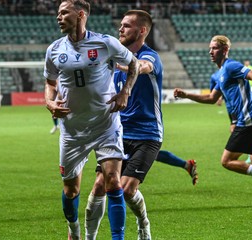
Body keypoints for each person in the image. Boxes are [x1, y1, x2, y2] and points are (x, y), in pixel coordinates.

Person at [43, 1, 139, 239]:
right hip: (72, 131)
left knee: (113, 183)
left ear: (81, 14)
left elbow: (133, 64)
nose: (59, 17)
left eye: (64, 12)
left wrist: (125, 90)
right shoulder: (54, 50)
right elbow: (50, 83)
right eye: (58, 13)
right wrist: (49, 102)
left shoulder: (105, 42)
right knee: (71, 190)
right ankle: (74, 230)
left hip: (105, 124)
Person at [85, 10, 163, 240]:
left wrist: (117, 65)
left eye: (127, 26)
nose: (121, 29)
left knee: (127, 190)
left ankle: (143, 224)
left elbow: (142, 66)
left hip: (147, 134)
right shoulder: (116, 57)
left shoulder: (151, 56)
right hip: (117, 133)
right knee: (100, 185)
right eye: (121, 25)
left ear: (142, 31)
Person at [174, 35, 252, 202]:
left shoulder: (231, 66)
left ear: (225, 50)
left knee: (227, 161)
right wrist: (186, 95)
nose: (210, 52)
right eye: (210, 49)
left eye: (214, 48)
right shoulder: (220, 73)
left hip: (249, 120)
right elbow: (211, 98)